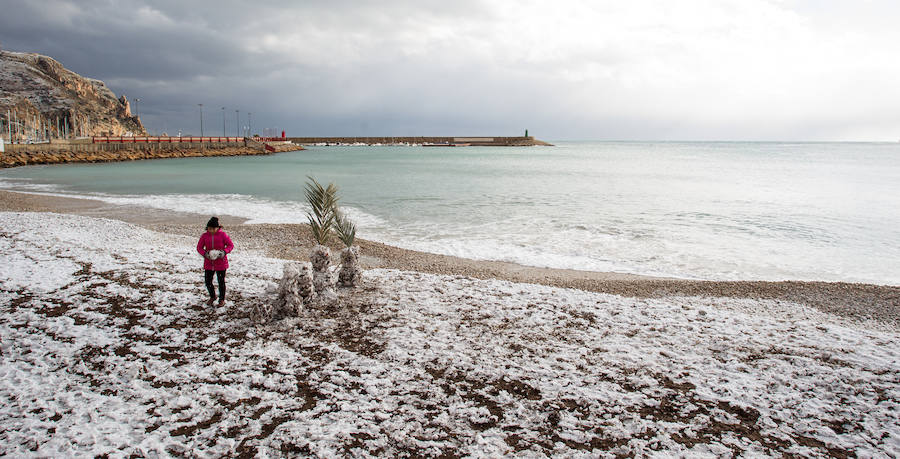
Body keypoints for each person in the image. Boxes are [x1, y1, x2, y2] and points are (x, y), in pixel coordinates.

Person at [196, 217, 234, 306]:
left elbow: (230, 245)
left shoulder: (223, 235)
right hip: (209, 262)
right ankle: (212, 296)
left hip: (221, 262)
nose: (211, 230)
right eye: (209, 228)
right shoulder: (204, 236)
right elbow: (199, 248)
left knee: (221, 281)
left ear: (218, 228)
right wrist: (205, 254)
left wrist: (224, 252)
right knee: (208, 281)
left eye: (213, 228)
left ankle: (221, 299)